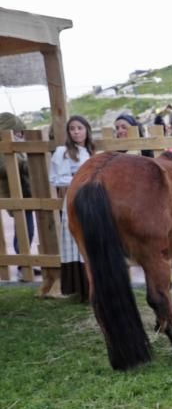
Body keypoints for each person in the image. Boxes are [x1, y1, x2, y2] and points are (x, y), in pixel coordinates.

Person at [50, 115, 94, 300]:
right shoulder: (63, 151)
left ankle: (92, 285)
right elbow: (55, 178)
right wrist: (80, 179)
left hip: (91, 198)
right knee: (75, 239)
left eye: (80, 128)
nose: (76, 132)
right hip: (74, 197)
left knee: (90, 237)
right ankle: (79, 287)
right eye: (72, 129)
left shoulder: (90, 151)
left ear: (86, 130)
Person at [0, 112, 35, 280]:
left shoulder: (16, 148)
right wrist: (23, 160)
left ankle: (25, 263)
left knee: (28, 230)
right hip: (14, 196)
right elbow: (5, 168)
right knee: (24, 231)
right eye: (18, 131)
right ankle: (23, 265)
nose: (20, 135)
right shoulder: (4, 148)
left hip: (24, 194)